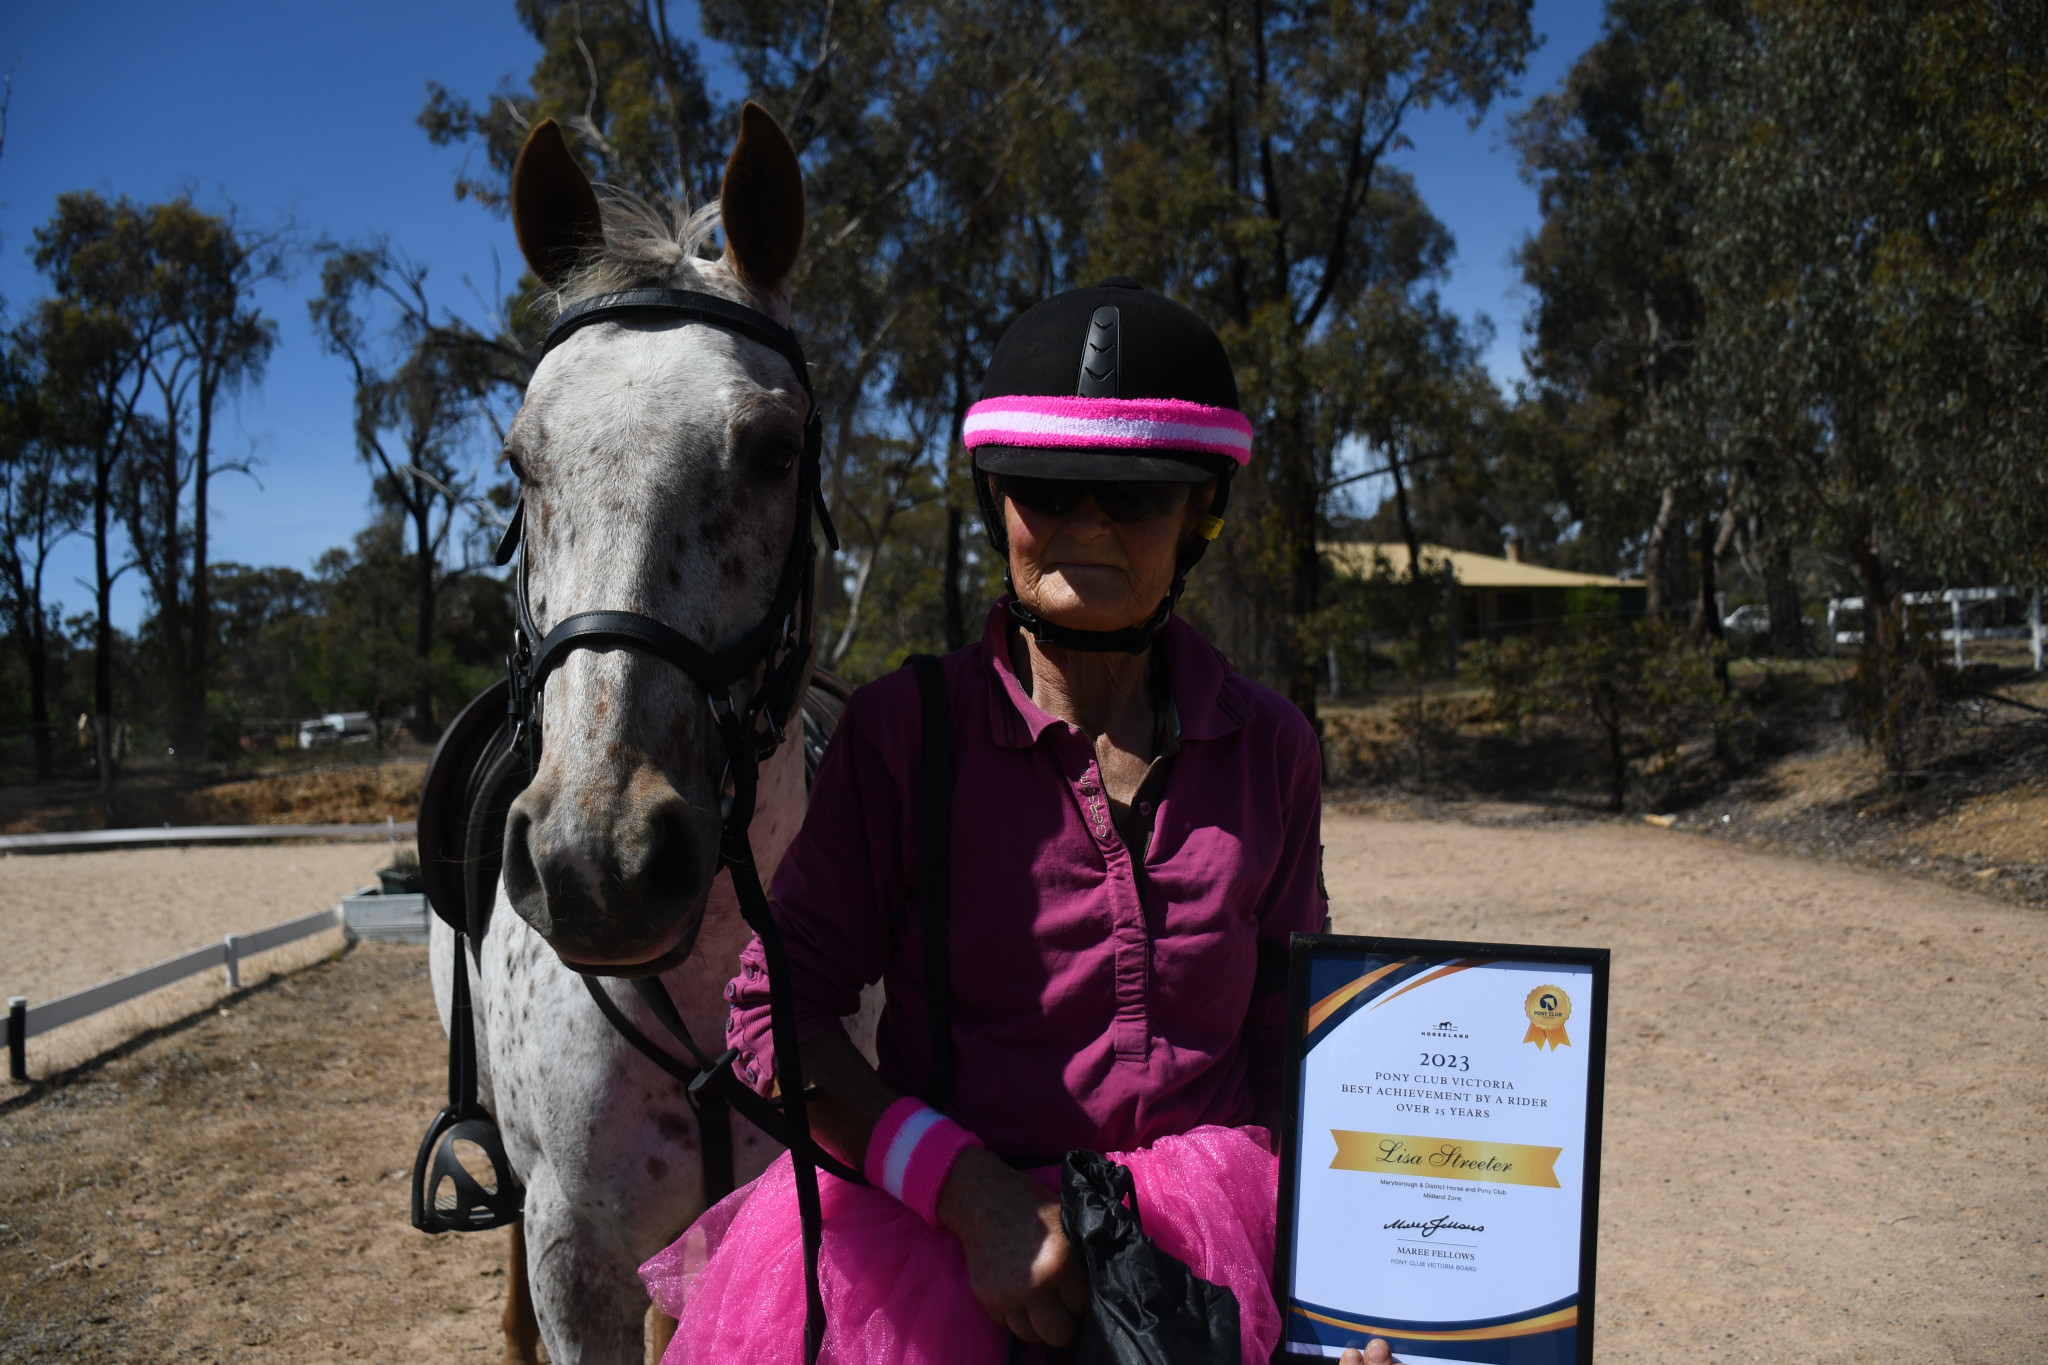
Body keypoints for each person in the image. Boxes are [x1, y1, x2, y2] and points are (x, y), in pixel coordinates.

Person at [641, 279, 1361, 1362]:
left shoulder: (1272, 748)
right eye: (1043, 488)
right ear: (995, 503)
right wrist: (964, 1192)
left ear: (1202, 514)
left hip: (1211, 1252)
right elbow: (774, 1018)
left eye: (1136, 498)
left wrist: (1347, 1297)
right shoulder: (903, 733)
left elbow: (1282, 1036)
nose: (1082, 527)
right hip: (945, 1254)